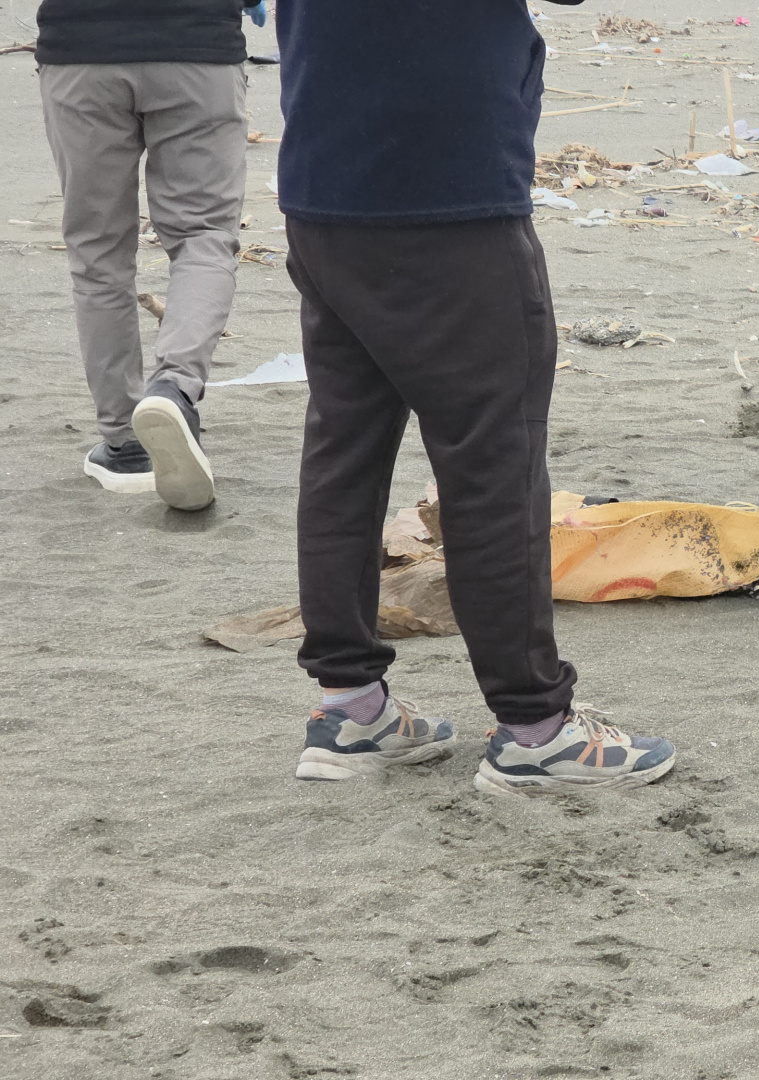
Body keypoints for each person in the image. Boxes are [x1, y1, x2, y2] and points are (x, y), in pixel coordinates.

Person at [276, 0, 675, 794]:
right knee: (492, 459)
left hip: (325, 181)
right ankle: (534, 729)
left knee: (344, 447)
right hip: (443, 187)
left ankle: (351, 709)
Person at [36, 0, 267, 510]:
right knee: (203, 234)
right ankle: (175, 389)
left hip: (81, 50)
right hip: (198, 48)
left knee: (98, 253)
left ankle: (125, 442)